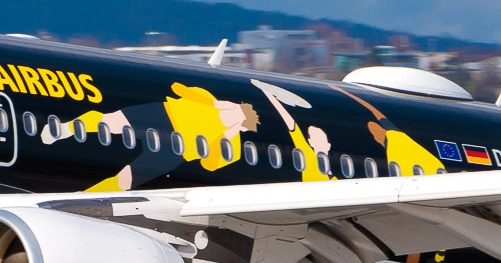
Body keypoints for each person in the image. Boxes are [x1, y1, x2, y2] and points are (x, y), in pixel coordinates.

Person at [60, 83, 259, 192]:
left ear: (242, 127)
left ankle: (88, 197)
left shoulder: (231, 143)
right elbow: (177, 88)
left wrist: (227, 134)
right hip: (163, 115)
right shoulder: (209, 100)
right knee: (110, 122)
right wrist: (215, 104)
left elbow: (209, 165)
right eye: (235, 110)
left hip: (174, 151)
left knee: (125, 181)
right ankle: (66, 129)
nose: (231, 115)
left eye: (237, 118)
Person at [252, 80, 334, 182]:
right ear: (310, 142)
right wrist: (266, 91)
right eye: (314, 138)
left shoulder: (337, 181)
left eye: (320, 138)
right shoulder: (308, 156)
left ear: (328, 145)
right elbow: (289, 121)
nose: (318, 141)